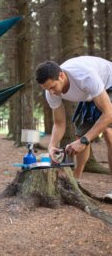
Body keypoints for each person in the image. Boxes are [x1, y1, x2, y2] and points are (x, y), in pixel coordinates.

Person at [35, 56, 112, 201]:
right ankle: (75, 181)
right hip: (89, 95)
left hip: (109, 83)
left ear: (61, 75)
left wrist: (84, 141)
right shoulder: (50, 91)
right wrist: (52, 146)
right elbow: (59, 123)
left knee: (109, 133)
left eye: (52, 87)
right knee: (80, 135)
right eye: (46, 89)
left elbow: (108, 113)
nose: (51, 92)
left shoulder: (85, 76)